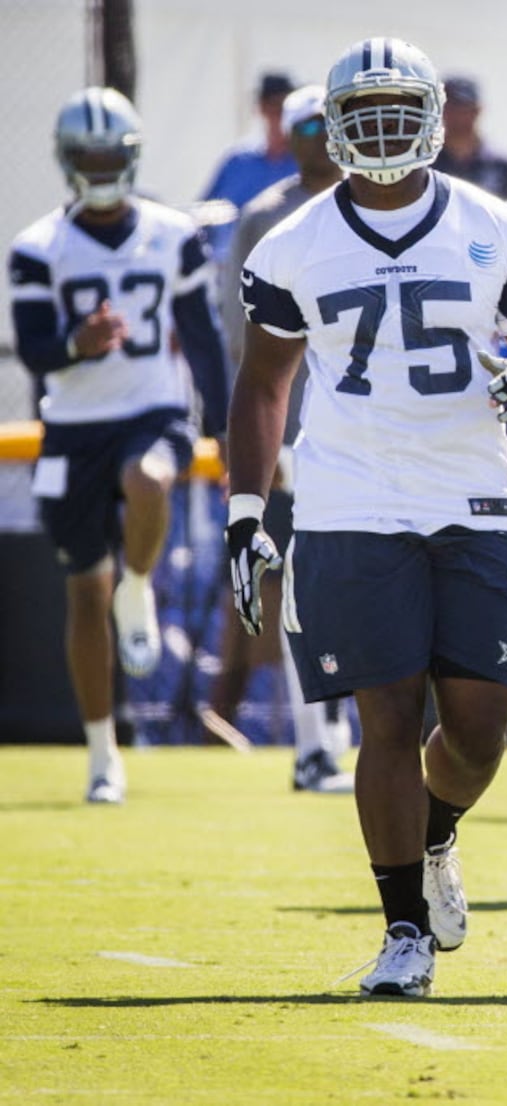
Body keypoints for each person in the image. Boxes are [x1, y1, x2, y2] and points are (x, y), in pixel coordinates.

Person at [224, 37, 507, 998]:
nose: (381, 128)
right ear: (331, 126)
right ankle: (403, 931)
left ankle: (436, 832)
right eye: (362, 111)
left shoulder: (497, 227)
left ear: (433, 116)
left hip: (471, 493)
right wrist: (248, 510)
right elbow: (263, 383)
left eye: (397, 108)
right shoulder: (291, 244)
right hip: (350, 498)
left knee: (479, 730)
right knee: (386, 712)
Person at [8, 87, 230, 804]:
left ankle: (140, 588)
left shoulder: (171, 233)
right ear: (69, 161)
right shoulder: (39, 246)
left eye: (112, 155)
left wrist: (223, 428)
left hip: (150, 411)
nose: (101, 167)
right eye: (90, 156)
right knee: (83, 592)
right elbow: (38, 350)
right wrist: (78, 342)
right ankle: (103, 753)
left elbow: (202, 335)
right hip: (73, 427)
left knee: (150, 481)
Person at [210, 83, 353, 793]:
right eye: (303, 126)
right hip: (296, 438)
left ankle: (339, 737)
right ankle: (314, 742)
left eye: (325, 125)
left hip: (367, 431)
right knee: (302, 589)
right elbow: (248, 345)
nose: (316, 138)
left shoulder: (369, 204)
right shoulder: (267, 218)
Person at [199, 72, 299, 256]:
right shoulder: (237, 161)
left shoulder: (306, 162)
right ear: (260, 108)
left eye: (288, 109)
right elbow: (205, 215)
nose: (281, 116)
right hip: (233, 269)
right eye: (275, 107)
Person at [432, 76, 507, 199]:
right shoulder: (425, 166)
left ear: (478, 111)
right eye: (451, 108)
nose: (458, 116)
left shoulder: (506, 169)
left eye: (464, 109)